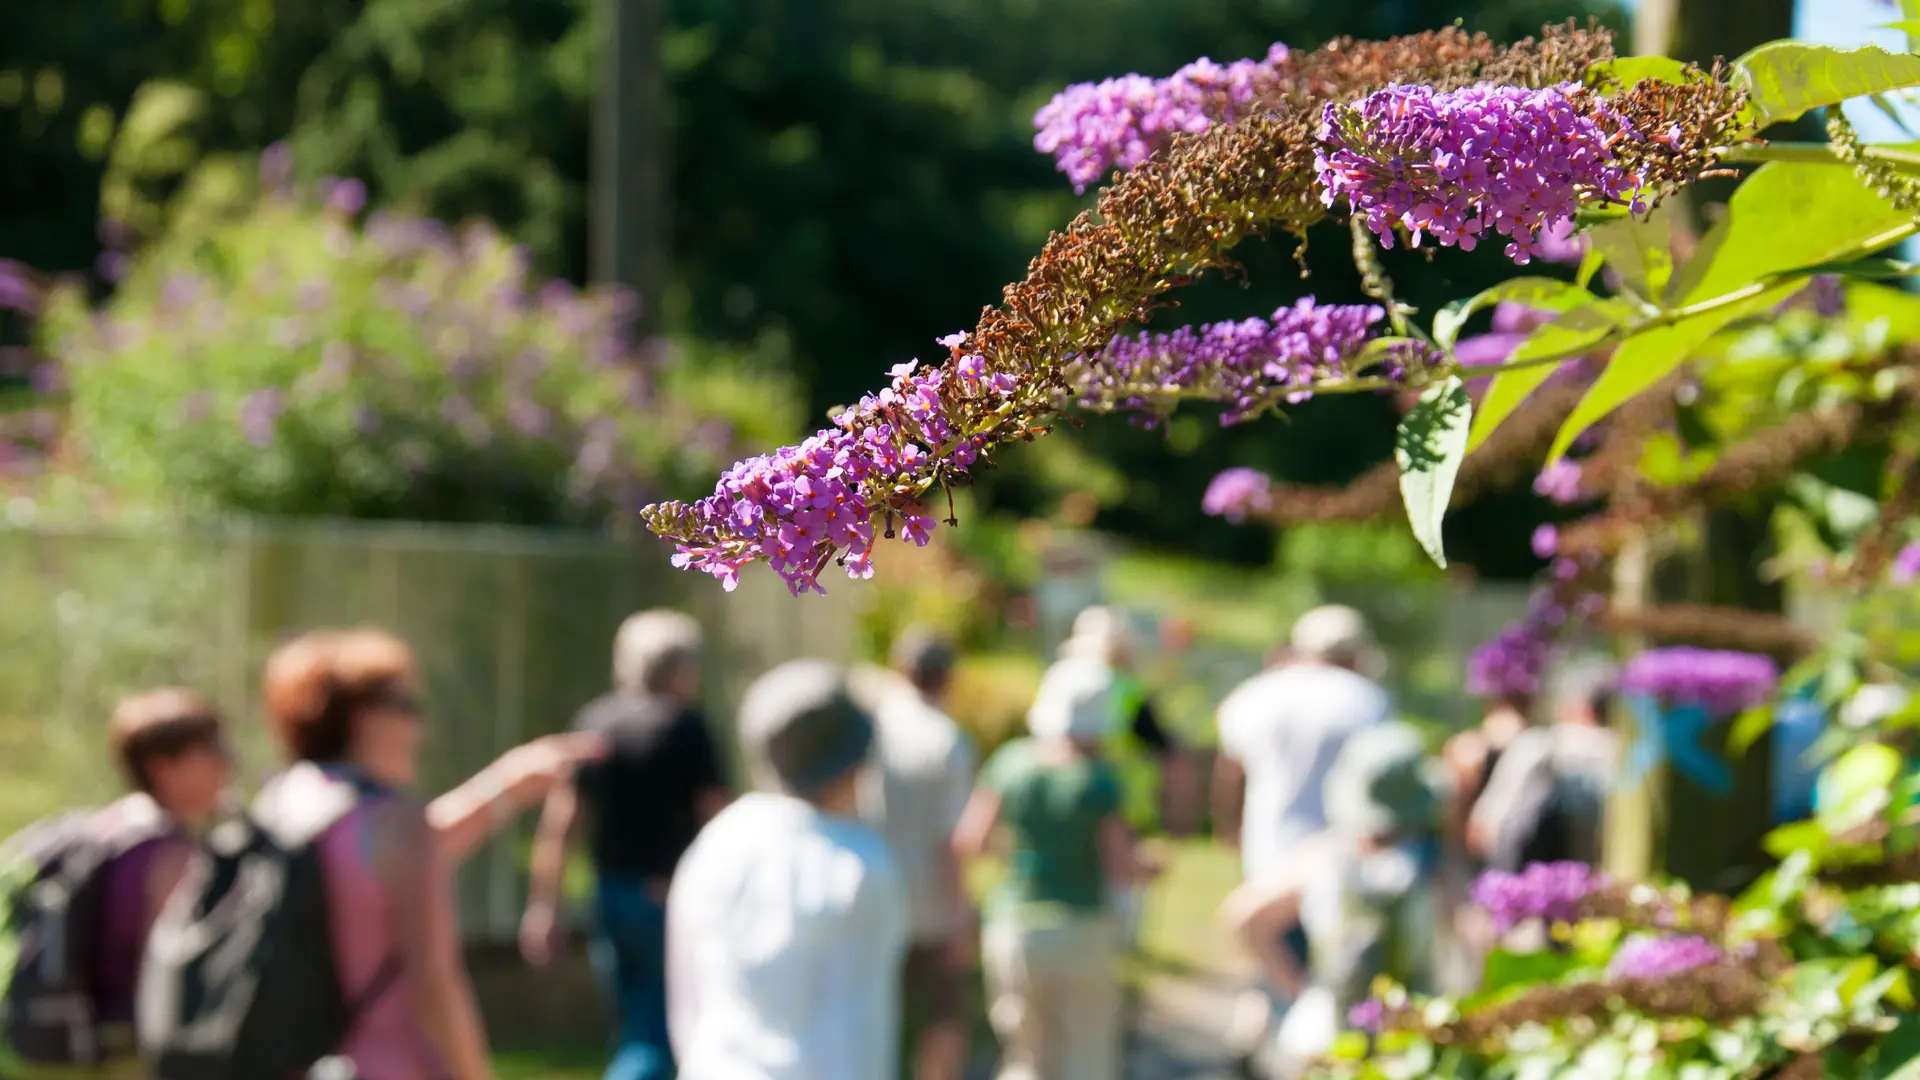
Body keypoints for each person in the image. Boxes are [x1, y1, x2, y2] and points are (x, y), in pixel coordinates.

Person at [258, 627, 602, 1080]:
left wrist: (506, 784)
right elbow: (435, 986)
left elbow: (387, 863)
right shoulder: (395, 822)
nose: (420, 727)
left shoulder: (283, 803)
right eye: (406, 707)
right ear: (361, 717)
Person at [667, 659, 908, 1080]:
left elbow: (685, 991)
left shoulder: (718, 842)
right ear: (854, 763)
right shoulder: (862, 864)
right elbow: (861, 1021)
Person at [521, 609, 731, 1080]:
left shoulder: (595, 723)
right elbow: (716, 818)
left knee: (634, 1021)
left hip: (611, 894)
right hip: (669, 897)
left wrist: (544, 906)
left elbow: (560, 825)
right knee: (658, 1035)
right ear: (678, 668)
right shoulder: (686, 728)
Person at [954, 656, 1154, 1080]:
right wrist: (1148, 867)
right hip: (1082, 927)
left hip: (1015, 926)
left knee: (1027, 1059)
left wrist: (1015, 850)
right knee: (1086, 1057)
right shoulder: (1098, 781)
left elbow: (971, 840)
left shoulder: (1011, 764)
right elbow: (1120, 867)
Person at [1212, 605, 1391, 1063]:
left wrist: (1227, 827)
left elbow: (1229, 770)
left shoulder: (1258, 694)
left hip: (1268, 848)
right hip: (1338, 858)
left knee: (1269, 952)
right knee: (1330, 974)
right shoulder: (1366, 699)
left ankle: (1270, 1038)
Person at [1218, 722, 1441, 1079]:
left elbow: (1244, 917)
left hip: (1321, 1038)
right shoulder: (1431, 868)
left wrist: (1297, 987)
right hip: (1408, 1043)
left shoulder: (1323, 858)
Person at [79, 688, 231, 1074]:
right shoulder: (172, 855)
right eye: (212, 750)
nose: (228, 763)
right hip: (127, 1054)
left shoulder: (105, 831)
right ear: (163, 765)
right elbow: (175, 980)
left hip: (73, 1043)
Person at [862, 627, 977, 1080]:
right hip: (928, 898)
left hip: (874, 890)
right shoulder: (947, 740)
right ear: (947, 678)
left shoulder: (870, 727)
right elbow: (952, 839)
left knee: (881, 1010)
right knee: (944, 1015)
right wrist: (960, 914)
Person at [1056, 606, 1193, 945]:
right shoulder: (1127, 689)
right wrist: (1177, 818)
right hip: (1117, 808)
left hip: (1078, 806)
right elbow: (1171, 756)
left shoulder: (1062, 681)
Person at [1469, 659, 1618, 871]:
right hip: (1599, 880)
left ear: (1576, 707)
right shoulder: (1623, 753)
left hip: (1535, 880)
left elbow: (1484, 826)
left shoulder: (1538, 744)